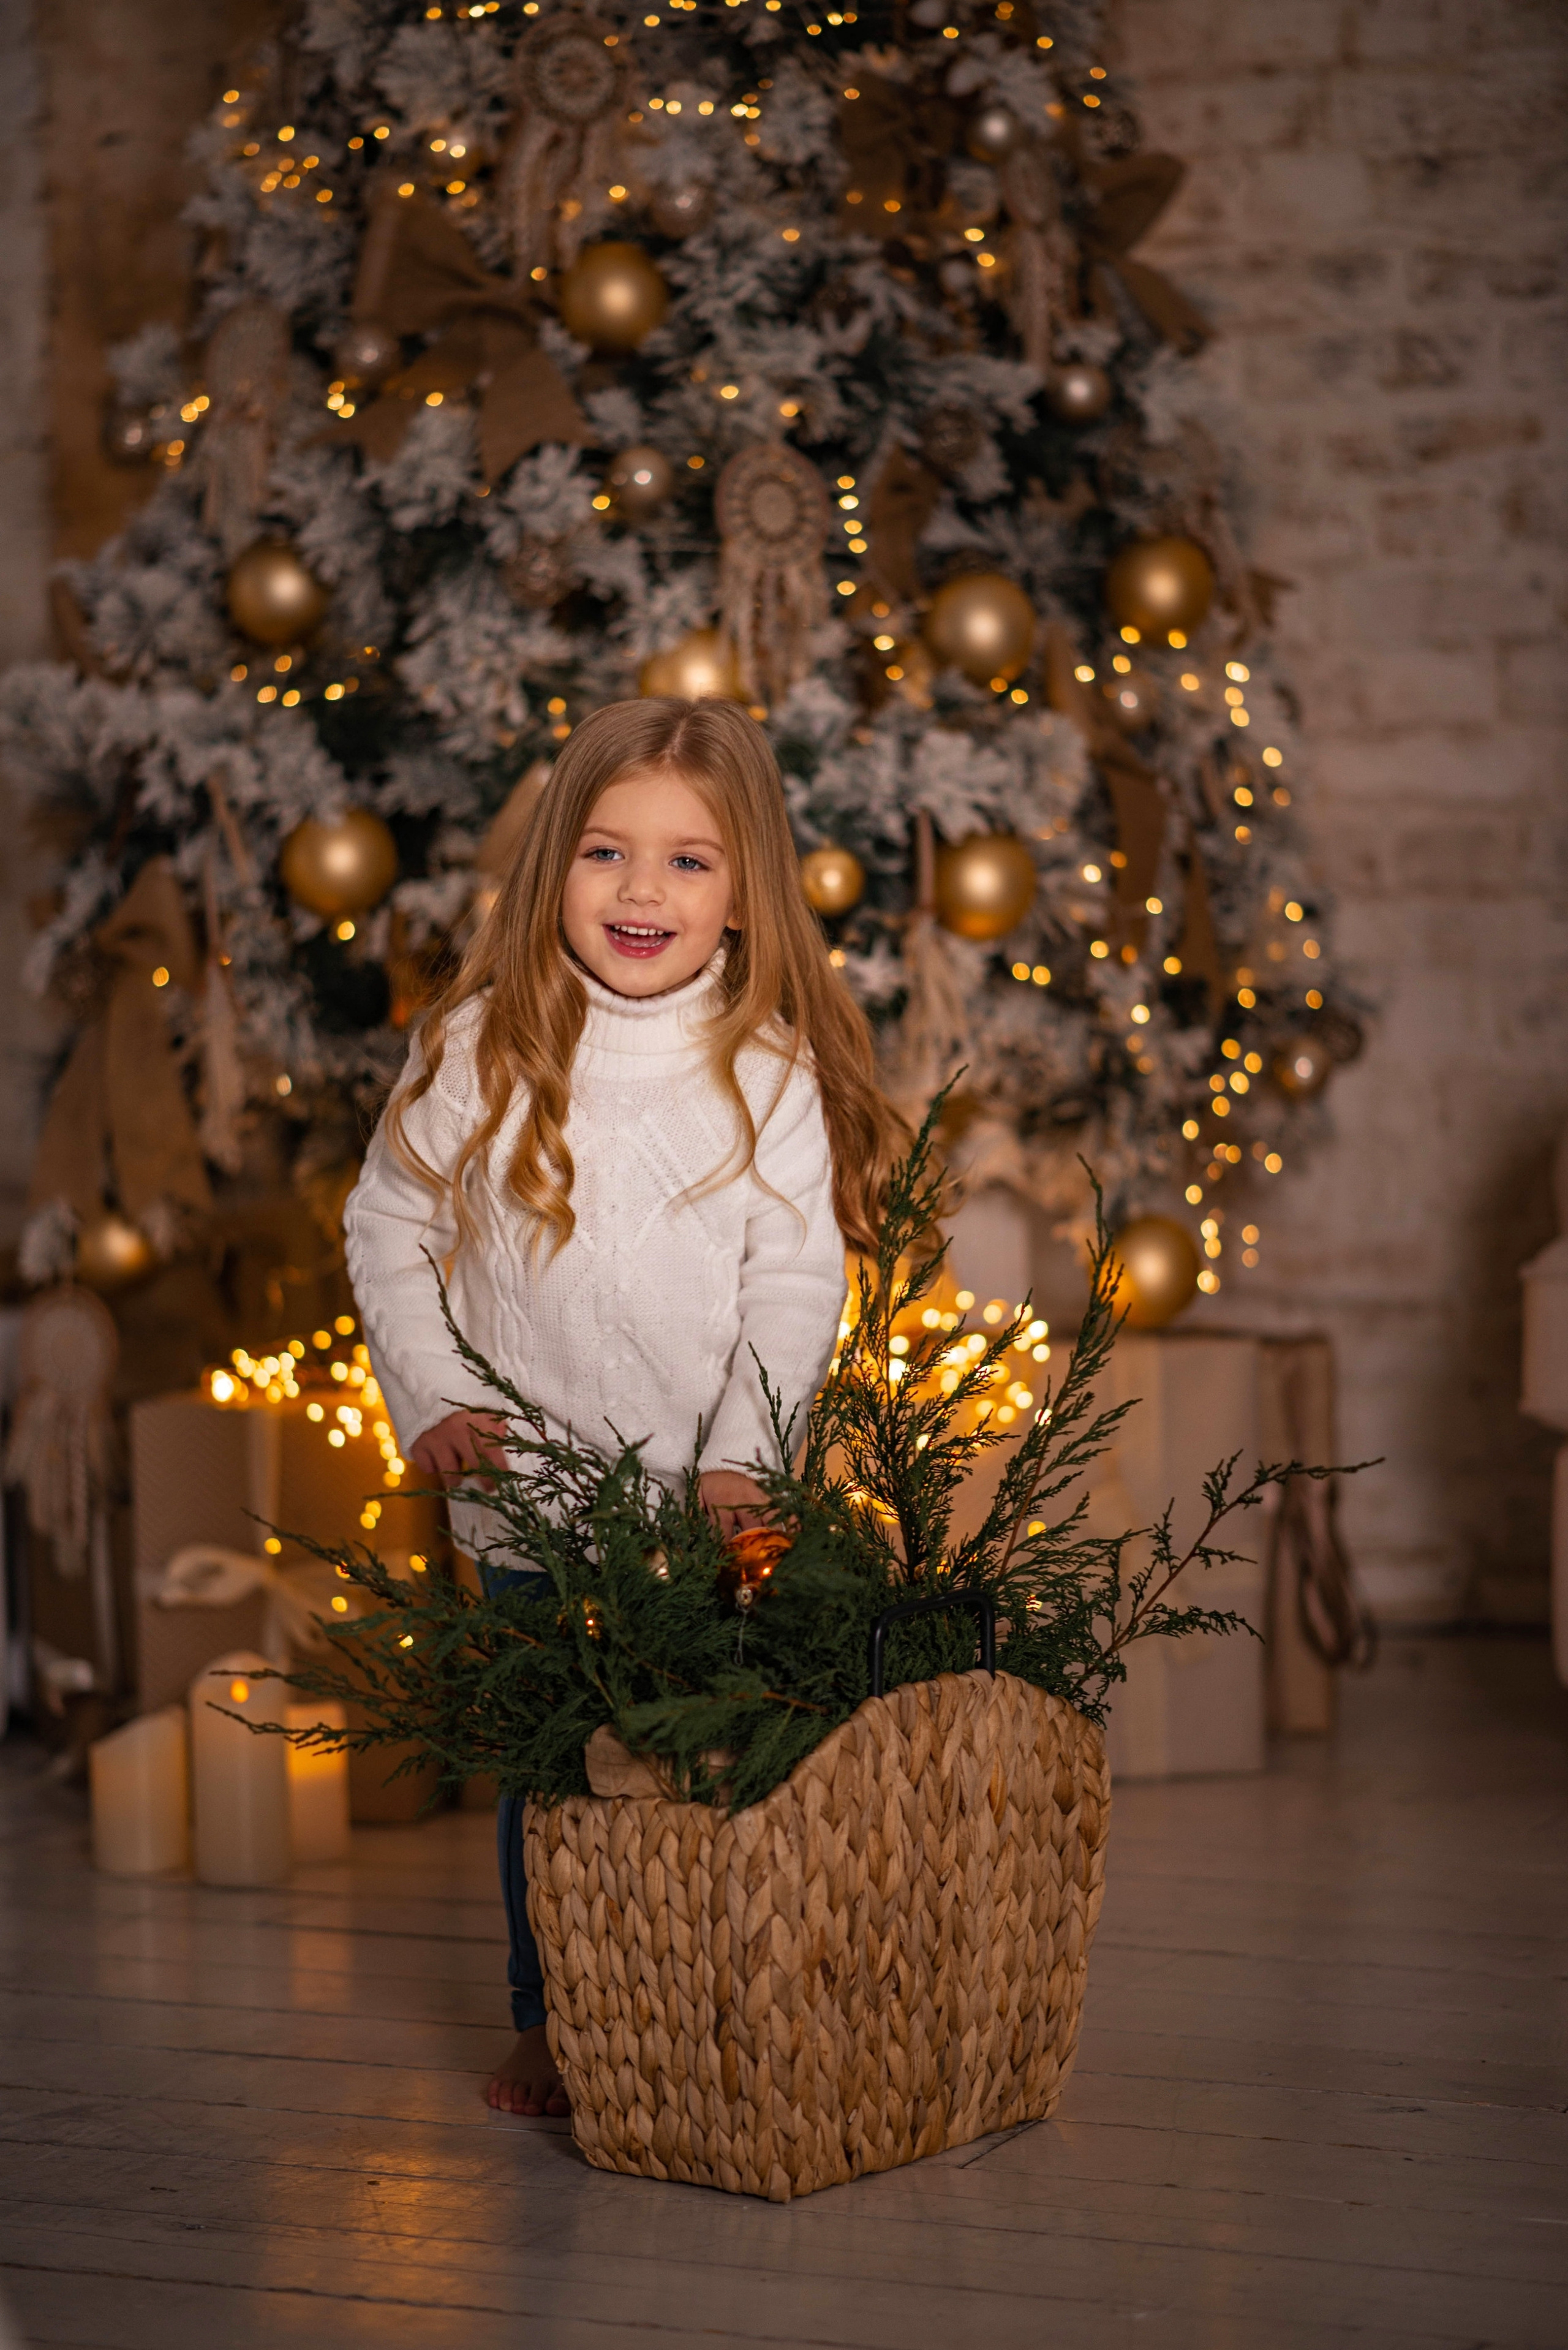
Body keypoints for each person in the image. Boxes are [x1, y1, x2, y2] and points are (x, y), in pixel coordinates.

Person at [344, 696, 903, 2117]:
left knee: (687, 1752)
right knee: (549, 1768)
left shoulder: (761, 1071)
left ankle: (701, 1984)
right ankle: (553, 2010)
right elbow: (388, 1224)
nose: (641, 889)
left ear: (743, 893)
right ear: (553, 870)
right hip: (527, 1495)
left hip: (698, 1515)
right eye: (605, 851)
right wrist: (437, 1394)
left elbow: (792, 1286)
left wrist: (742, 1458)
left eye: (686, 862)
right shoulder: (481, 1046)